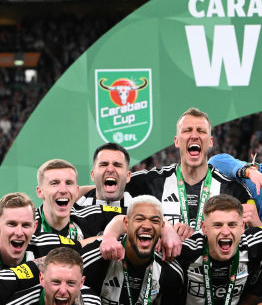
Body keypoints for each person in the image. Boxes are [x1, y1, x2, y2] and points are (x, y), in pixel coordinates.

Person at [106, 109, 252, 258]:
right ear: (176, 141)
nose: (194, 136)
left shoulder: (234, 191)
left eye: (201, 131)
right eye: (187, 130)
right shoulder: (150, 182)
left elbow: (249, 240)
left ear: (210, 142)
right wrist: (164, 228)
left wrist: (198, 235)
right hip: (163, 274)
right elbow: (106, 190)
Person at [156, 196, 262, 305]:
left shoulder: (255, 246)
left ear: (242, 226)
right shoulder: (183, 254)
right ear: (204, 228)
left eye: (232, 225)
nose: (225, 232)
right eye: (218, 225)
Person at [0, 159, 122, 255]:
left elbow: (132, 218)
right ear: (40, 192)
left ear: (76, 191)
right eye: (54, 183)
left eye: (69, 183)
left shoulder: (89, 216)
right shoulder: (23, 221)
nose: (63, 189)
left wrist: (109, 235)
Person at [76, 141, 134, 208]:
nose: (110, 169)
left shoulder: (142, 213)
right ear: (93, 175)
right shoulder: (73, 213)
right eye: (104, 164)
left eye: (117, 165)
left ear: (128, 176)